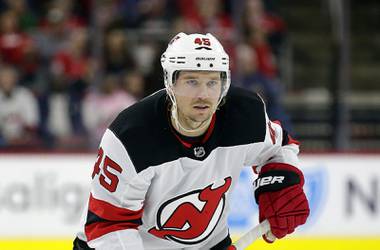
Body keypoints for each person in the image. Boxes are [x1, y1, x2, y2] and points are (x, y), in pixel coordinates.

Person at [73, 32, 309, 250]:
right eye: (192, 81)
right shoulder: (130, 136)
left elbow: (280, 147)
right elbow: (108, 226)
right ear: (170, 83)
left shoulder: (246, 115)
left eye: (212, 82)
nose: (203, 95)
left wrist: (284, 179)